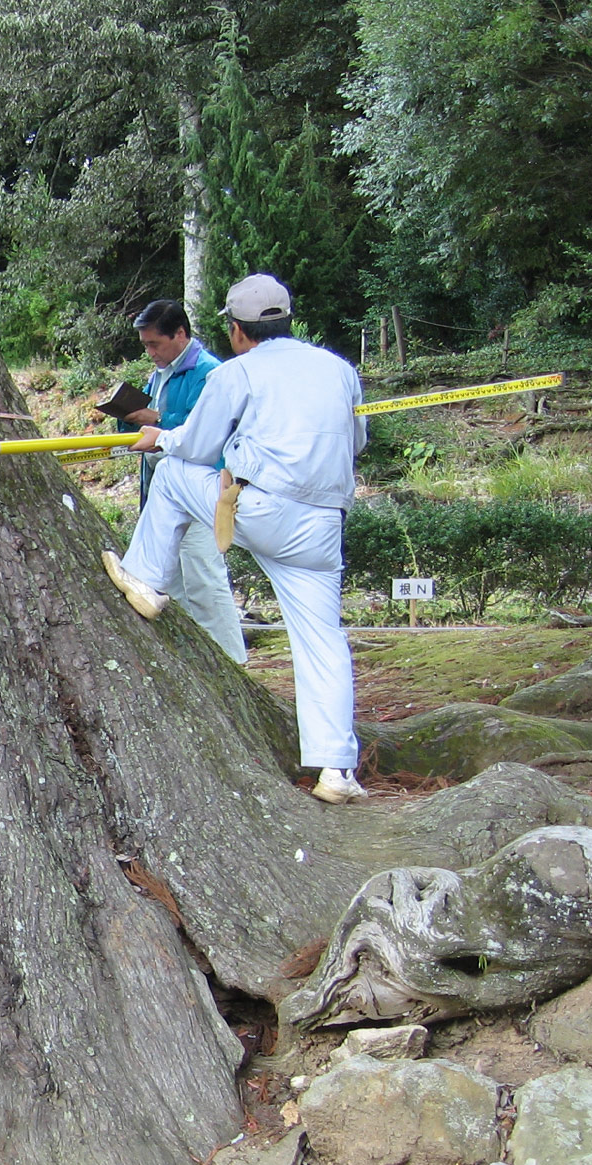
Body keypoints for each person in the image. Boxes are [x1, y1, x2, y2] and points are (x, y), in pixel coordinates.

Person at [102, 274, 368, 804]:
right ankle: (336, 769)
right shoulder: (340, 370)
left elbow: (198, 448)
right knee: (323, 641)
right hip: (324, 525)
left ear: (237, 330)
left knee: (174, 474)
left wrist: (160, 438)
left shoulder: (237, 372)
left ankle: (147, 579)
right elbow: (358, 439)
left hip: (264, 507)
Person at [111, 300, 245, 664]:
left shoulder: (209, 373)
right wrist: (128, 417)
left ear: (181, 334)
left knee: (205, 577)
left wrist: (157, 418)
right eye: (145, 345)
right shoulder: (160, 374)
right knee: (173, 585)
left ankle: (234, 662)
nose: (150, 352)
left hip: (202, 491)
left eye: (155, 343)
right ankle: (198, 663)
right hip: (162, 491)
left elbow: (208, 431)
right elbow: (152, 427)